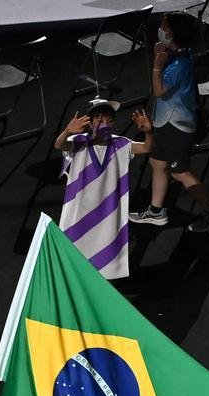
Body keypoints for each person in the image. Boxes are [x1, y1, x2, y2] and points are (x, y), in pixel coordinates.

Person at [129, 13, 209, 234]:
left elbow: (159, 90)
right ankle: (155, 211)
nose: (160, 29)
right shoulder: (177, 54)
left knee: (180, 172)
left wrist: (156, 66)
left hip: (176, 127)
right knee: (157, 162)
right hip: (165, 123)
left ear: (172, 34)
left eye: (163, 26)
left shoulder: (179, 64)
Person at [54, 99, 154, 280]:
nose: (105, 124)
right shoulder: (78, 142)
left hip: (107, 212)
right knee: (74, 255)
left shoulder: (121, 144)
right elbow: (60, 145)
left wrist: (148, 132)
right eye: (99, 120)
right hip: (79, 214)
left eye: (109, 120)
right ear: (89, 123)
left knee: (106, 256)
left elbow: (147, 147)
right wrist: (67, 131)